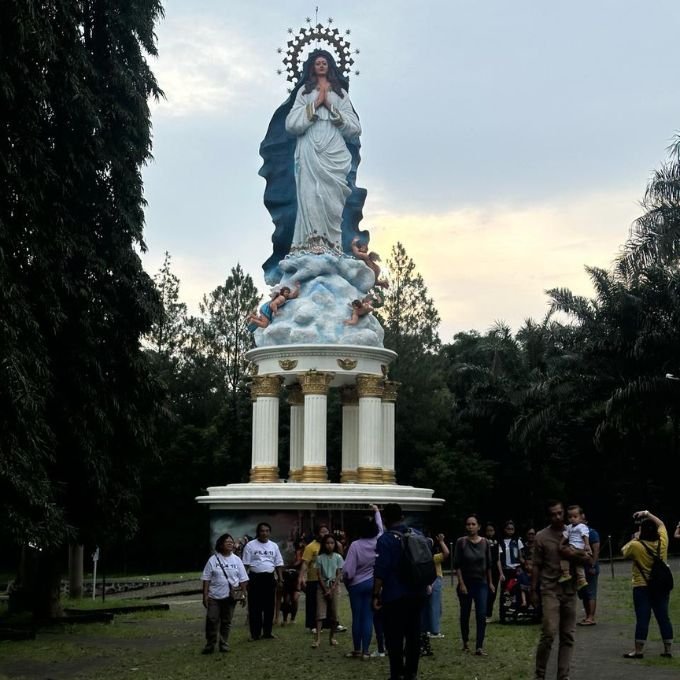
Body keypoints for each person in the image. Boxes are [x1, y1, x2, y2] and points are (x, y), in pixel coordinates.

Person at [284, 52, 361, 254]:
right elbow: (291, 124)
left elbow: (355, 128)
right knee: (311, 194)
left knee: (331, 199)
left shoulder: (340, 94)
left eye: (324, 63)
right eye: (317, 63)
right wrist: (315, 104)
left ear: (330, 66)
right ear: (311, 67)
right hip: (309, 147)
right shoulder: (304, 92)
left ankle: (333, 246)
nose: (320, 66)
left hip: (334, 147)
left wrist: (331, 107)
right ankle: (312, 242)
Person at [373, 503, 426, 680]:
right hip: (417, 593)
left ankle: (396, 673)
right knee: (413, 635)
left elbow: (381, 571)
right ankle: (411, 672)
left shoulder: (385, 540)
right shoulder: (417, 535)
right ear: (402, 517)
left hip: (394, 595)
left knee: (394, 637)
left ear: (385, 519)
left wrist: (376, 594)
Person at [532, 500, 579, 680]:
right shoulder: (541, 536)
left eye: (560, 513)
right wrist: (533, 591)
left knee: (568, 635)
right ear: (549, 516)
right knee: (549, 632)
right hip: (549, 589)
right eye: (553, 514)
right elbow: (536, 565)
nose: (557, 517)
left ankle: (563, 675)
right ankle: (540, 674)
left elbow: (587, 556)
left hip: (570, 590)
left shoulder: (573, 531)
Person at [621, 509, 673, 659]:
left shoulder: (636, 545)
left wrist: (635, 539)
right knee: (663, 617)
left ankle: (638, 650)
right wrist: (647, 513)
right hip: (661, 586)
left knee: (643, 618)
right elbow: (661, 524)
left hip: (641, 585)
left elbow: (623, 551)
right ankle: (668, 649)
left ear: (641, 531)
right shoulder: (662, 542)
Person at [343, 504, 384, 659]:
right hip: (372, 584)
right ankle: (366, 651)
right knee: (368, 617)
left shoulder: (355, 545)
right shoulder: (378, 541)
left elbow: (348, 571)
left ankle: (357, 649)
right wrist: (376, 512)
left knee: (357, 617)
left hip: (356, 585)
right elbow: (380, 529)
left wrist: (347, 581)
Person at [200, 533, 249, 654]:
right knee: (212, 619)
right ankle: (210, 643)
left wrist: (243, 594)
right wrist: (205, 595)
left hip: (231, 597)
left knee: (226, 621)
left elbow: (243, 579)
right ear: (220, 545)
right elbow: (206, 579)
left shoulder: (237, 560)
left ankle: (224, 643)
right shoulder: (213, 559)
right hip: (214, 596)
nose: (230, 544)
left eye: (231, 542)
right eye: (227, 542)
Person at [453, 514, 494, 655]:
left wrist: (490, 583)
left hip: (481, 583)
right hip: (466, 582)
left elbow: (488, 565)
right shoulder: (461, 542)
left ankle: (479, 646)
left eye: (473, 524)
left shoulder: (485, 543)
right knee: (465, 614)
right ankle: (465, 642)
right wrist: (461, 583)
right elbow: (457, 565)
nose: (470, 527)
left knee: (481, 613)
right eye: (468, 524)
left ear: (479, 526)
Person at [241, 522, 284, 641]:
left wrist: (280, 579)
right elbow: (245, 565)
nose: (264, 533)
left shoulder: (274, 546)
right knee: (255, 607)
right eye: (262, 531)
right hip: (255, 578)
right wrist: (243, 581)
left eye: (266, 531)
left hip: (269, 578)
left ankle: (267, 632)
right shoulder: (250, 545)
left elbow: (278, 563)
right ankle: (255, 634)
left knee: (269, 606)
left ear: (269, 532)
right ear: (258, 532)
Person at [313, 534, 344, 648]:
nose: (329, 545)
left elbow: (338, 574)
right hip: (322, 588)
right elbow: (319, 575)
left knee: (335, 614)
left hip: (334, 587)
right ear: (323, 545)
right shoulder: (319, 557)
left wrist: (332, 589)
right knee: (320, 614)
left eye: (332, 543)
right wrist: (325, 589)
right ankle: (317, 639)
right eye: (327, 543)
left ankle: (332, 637)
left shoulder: (338, 557)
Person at [299, 524, 330, 632]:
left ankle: (329, 624)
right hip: (313, 579)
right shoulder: (311, 547)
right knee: (312, 603)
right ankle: (313, 625)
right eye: (322, 532)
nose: (325, 534)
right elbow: (305, 563)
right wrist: (301, 577)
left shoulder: (330, 545)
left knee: (328, 602)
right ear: (317, 533)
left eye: (326, 531)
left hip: (327, 579)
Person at [558, 505, 591, 590]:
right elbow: (565, 536)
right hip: (574, 547)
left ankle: (565, 573)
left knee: (563, 556)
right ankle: (582, 579)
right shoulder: (569, 527)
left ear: (580, 517)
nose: (572, 519)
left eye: (575, 516)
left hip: (577, 546)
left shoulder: (582, 526)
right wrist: (561, 543)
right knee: (578, 564)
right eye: (570, 517)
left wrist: (587, 545)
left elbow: (585, 535)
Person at [423, 533, 450, 639]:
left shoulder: (421, 557)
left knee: (425, 607)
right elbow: (446, 553)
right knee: (435, 607)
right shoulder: (434, 557)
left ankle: (426, 629)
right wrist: (441, 541)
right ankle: (435, 631)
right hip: (435, 580)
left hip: (424, 582)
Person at [577, 510, 600, 626]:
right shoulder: (576, 533)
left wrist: (593, 565)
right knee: (584, 593)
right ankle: (587, 616)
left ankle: (591, 617)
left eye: (581, 519)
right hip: (581, 568)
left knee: (591, 592)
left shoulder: (592, 533)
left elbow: (596, 550)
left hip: (590, 567)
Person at [280, 539, 305, 625]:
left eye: (291, 545)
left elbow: (301, 565)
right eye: (288, 545)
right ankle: (284, 619)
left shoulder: (299, 554)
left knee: (294, 599)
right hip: (286, 579)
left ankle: (293, 618)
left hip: (296, 579)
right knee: (286, 600)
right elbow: (281, 566)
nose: (289, 547)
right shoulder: (283, 555)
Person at [484, 523, 505, 621]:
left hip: (495, 571)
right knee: (485, 592)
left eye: (491, 530)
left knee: (493, 593)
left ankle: (489, 614)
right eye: (488, 530)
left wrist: (501, 573)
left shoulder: (497, 543)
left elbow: (498, 560)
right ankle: (483, 613)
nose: (490, 532)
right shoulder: (482, 541)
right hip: (484, 571)